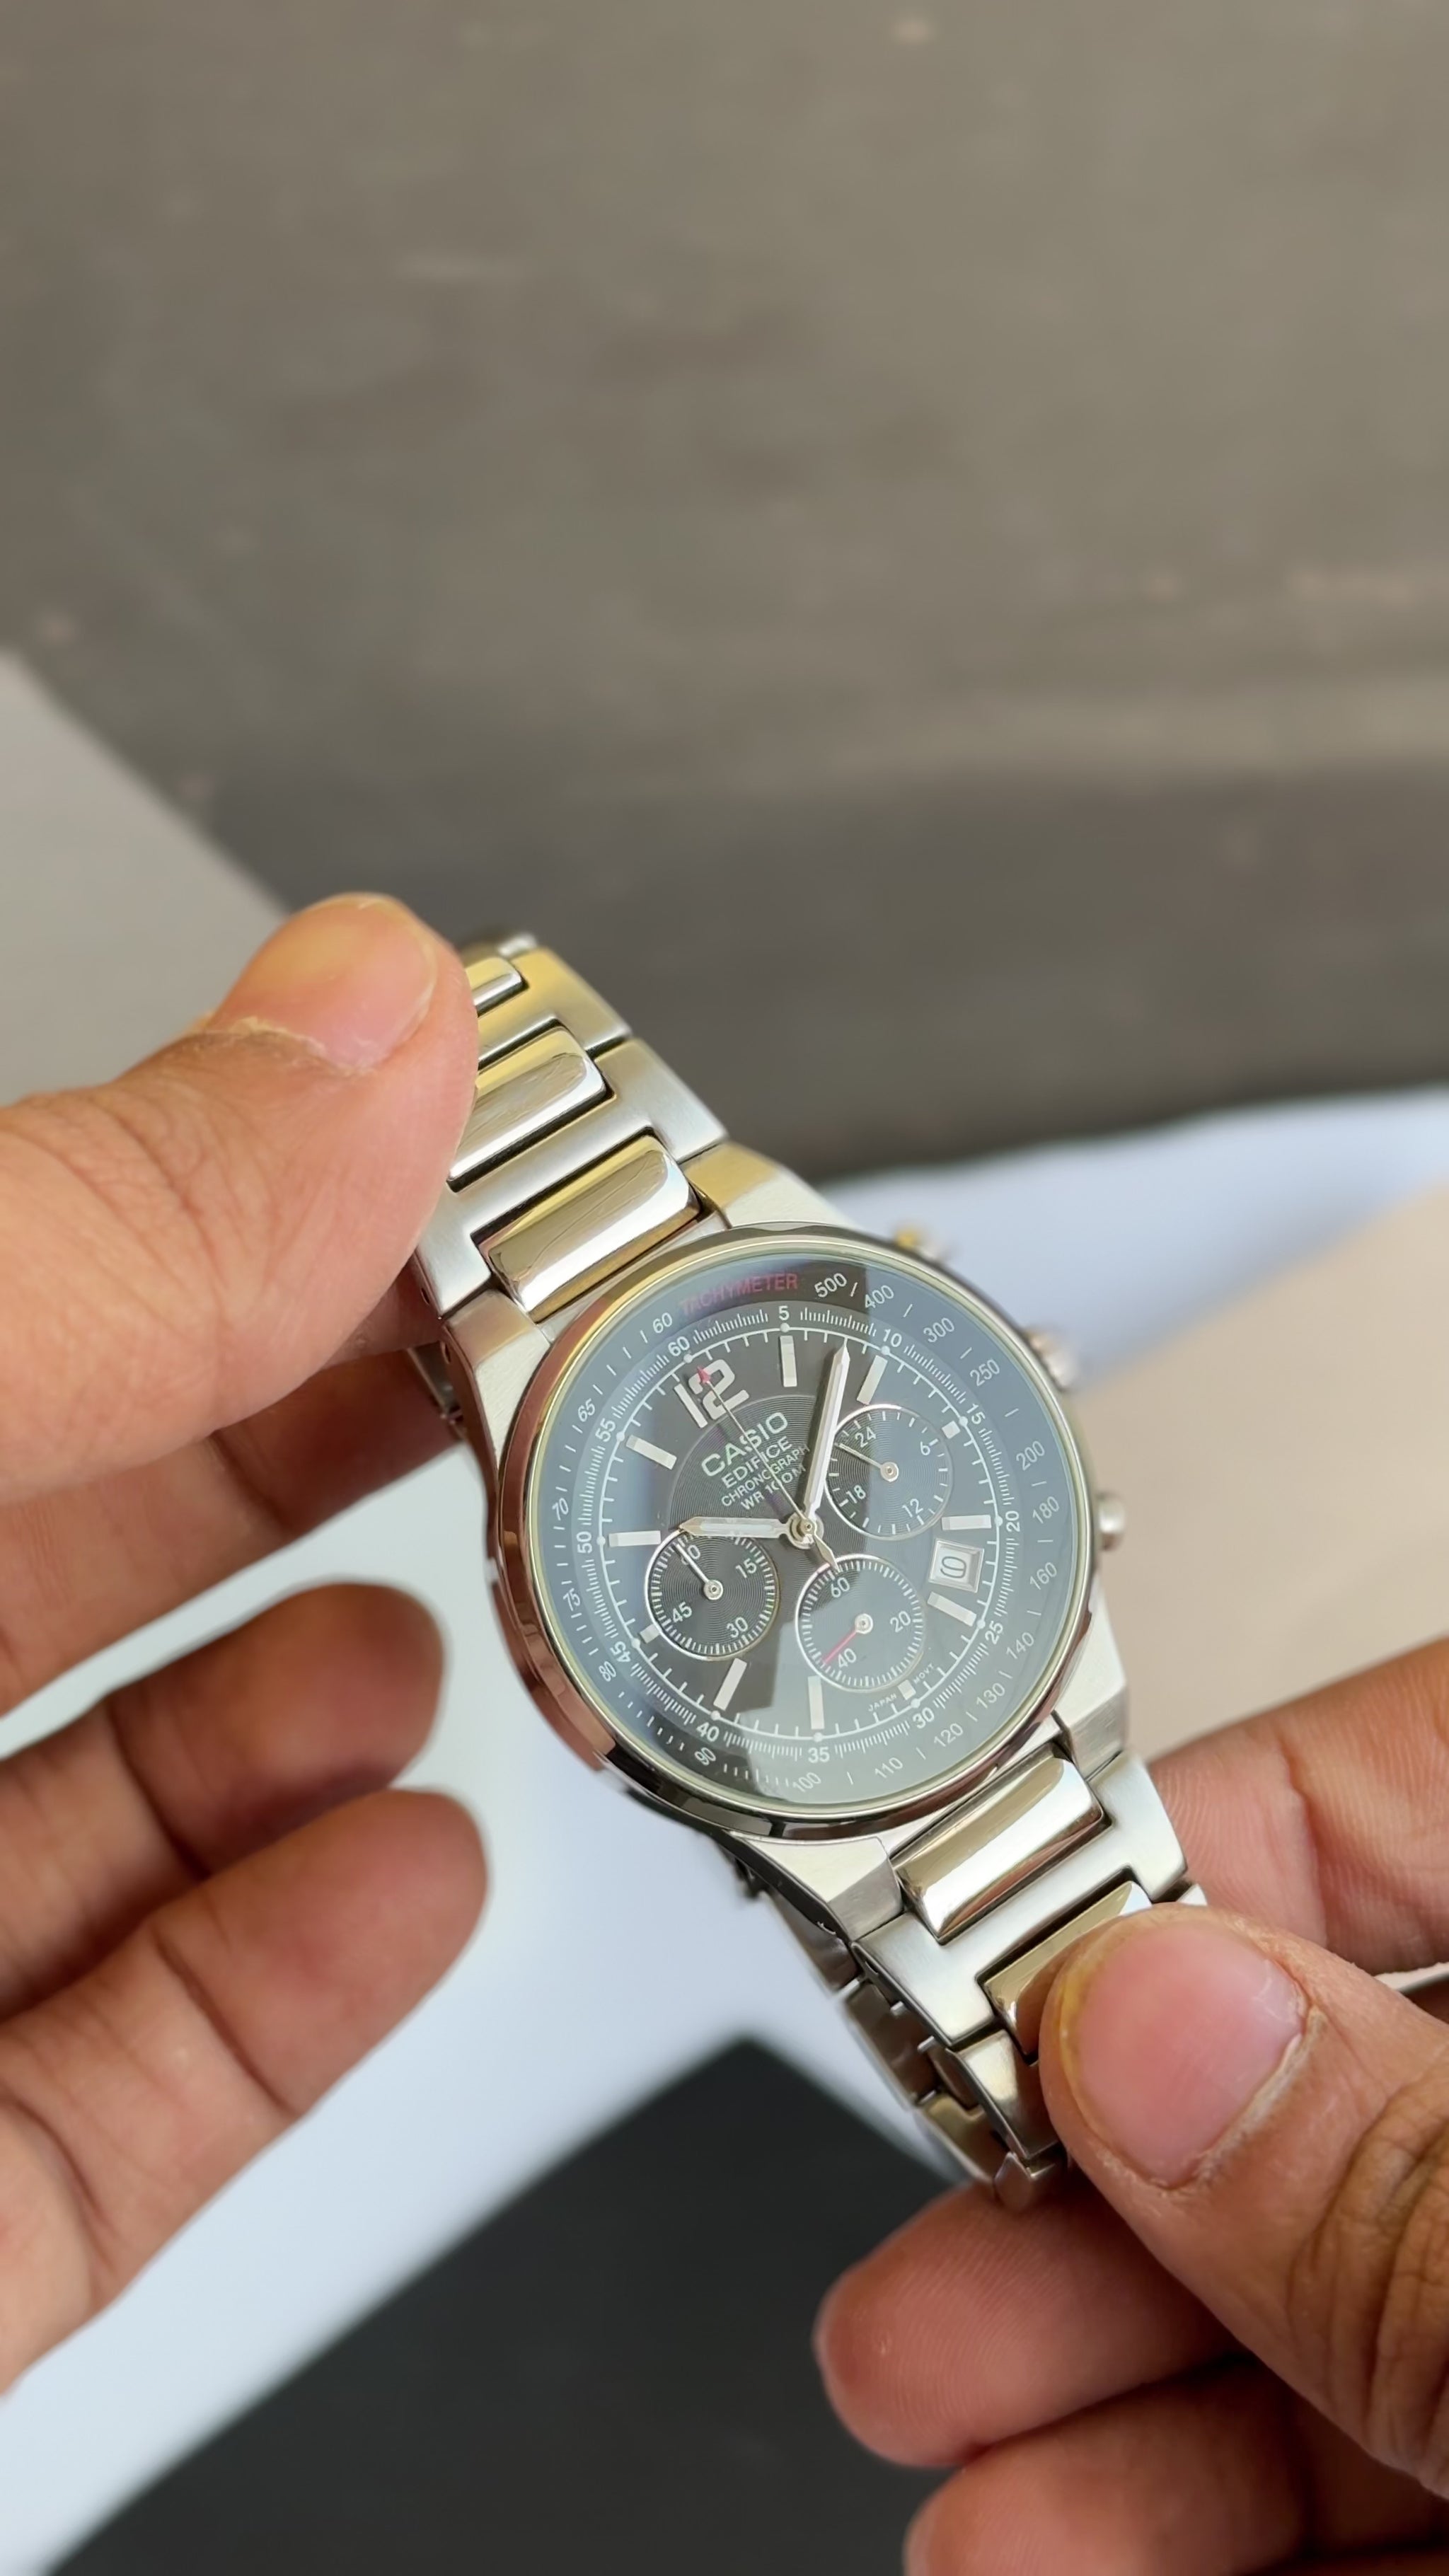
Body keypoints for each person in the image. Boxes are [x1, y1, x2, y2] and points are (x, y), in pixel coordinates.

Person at [5, 895, 1448, 2573]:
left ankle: (1045, 2077)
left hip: (983, 1705)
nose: (814, 1534)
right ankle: (1037, 2077)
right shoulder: (524, 1384)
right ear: (553, 1645)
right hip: (828, 1733)